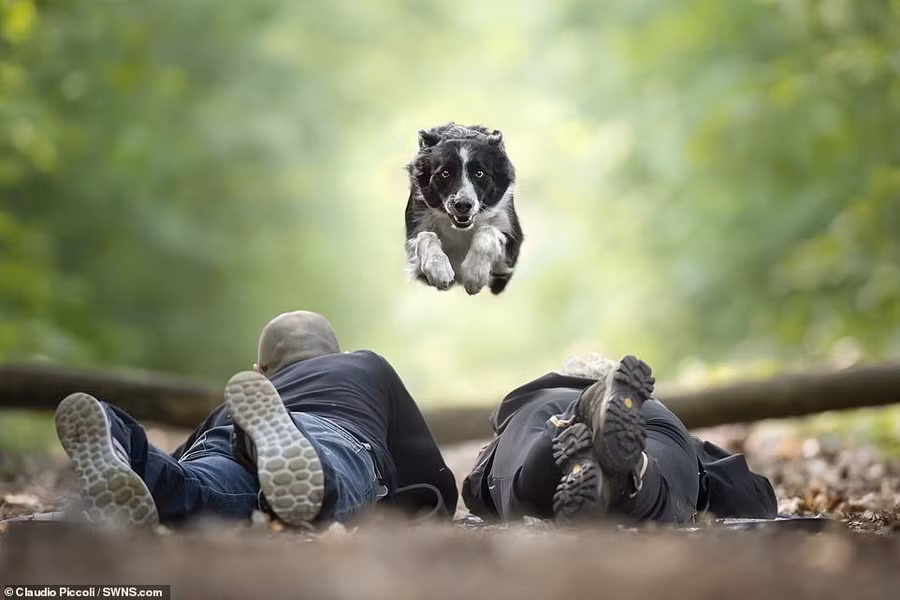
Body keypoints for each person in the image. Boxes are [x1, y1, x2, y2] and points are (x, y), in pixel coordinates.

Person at [53, 311, 458, 528]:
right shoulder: (366, 365)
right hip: (333, 436)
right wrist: (438, 499)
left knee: (194, 486)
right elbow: (421, 459)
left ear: (261, 371)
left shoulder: (230, 408)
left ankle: (119, 436)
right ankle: (295, 456)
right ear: (338, 351)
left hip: (231, 435)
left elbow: (183, 457)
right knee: (329, 472)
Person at [462, 354, 777, 524]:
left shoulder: (525, 401)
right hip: (655, 419)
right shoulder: (651, 410)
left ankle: (565, 437)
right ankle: (634, 473)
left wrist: (486, 484)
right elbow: (752, 495)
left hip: (543, 410)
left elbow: (478, 490)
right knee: (664, 484)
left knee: (517, 487)